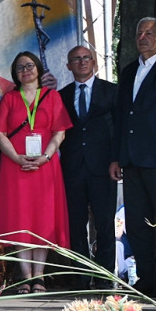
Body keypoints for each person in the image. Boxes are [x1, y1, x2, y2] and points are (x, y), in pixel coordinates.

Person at [0, 51, 71, 293]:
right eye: (19, 68)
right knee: (21, 219)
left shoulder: (53, 96)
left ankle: (40, 277)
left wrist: (45, 156)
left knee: (43, 219)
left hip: (45, 167)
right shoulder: (10, 99)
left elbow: (60, 132)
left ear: (37, 68)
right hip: (16, 167)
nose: (25, 70)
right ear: (15, 74)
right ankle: (25, 277)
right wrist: (16, 157)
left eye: (29, 66)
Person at [111, 17, 156, 297]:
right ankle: (146, 278)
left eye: (150, 33)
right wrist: (117, 157)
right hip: (131, 160)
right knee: (136, 221)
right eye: (139, 32)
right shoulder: (130, 70)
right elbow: (121, 117)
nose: (143, 37)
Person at [58, 45, 118, 289]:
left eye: (86, 58)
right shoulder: (61, 95)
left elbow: (120, 129)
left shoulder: (112, 91)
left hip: (104, 167)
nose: (82, 62)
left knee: (104, 223)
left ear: (94, 62)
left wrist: (117, 159)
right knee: (75, 224)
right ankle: (81, 277)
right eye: (76, 59)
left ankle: (105, 276)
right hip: (72, 168)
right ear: (68, 66)